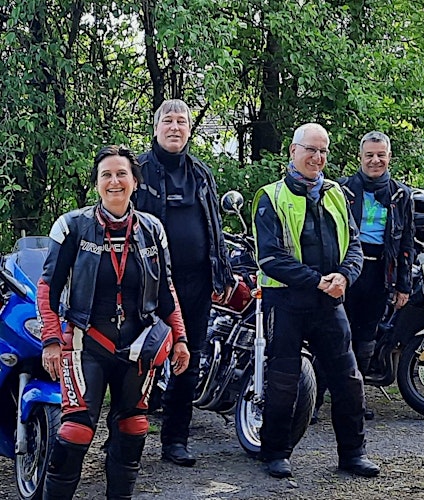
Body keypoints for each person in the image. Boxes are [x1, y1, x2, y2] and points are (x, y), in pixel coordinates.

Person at [37, 145, 191, 499]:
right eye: (106, 174)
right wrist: (50, 339)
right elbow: (48, 287)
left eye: (122, 174)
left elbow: (166, 289)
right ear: (96, 184)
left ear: (135, 181)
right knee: (75, 431)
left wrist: (180, 338)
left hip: (138, 346)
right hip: (85, 342)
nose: (114, 181)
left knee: (134, 427)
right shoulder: (72, 226)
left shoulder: (153, 229)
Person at [252, 123, 378, 479]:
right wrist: (317, 280)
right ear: (293, 152)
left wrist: (345, 276)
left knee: (348, 380)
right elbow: (270, 257)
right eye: (310, 149)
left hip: (330, 300)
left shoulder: (337, 193)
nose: (317, 157)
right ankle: (275, 452)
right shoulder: (270, 197)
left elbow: (355, 245)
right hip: (286, 299)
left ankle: (353, 454)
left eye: (323, 151)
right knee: (283, 380)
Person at [133, 98, 234, 467]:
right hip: (144, 282)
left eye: (182, 121)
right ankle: (125, 439)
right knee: (133, 360)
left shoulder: (201, 174)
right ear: (156, 127)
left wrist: (221, 270)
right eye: (168, 121)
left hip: (195, 282)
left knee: (186, 360)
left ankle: (175, 440)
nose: (175, 127)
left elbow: (214, 228)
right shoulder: (137, 170)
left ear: (190, 130)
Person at [325, 131, 413, 421]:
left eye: (381, 155)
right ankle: (317, 399)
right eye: (369, 155)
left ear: (389, 156)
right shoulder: (342, 190)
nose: (375, 161)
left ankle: (355, 399)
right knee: (336, 333)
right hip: (348, 270)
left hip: (381, 271)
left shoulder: (401, 195)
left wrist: (404, 285)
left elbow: (407, 243)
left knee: (366, 337)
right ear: (360, 157)